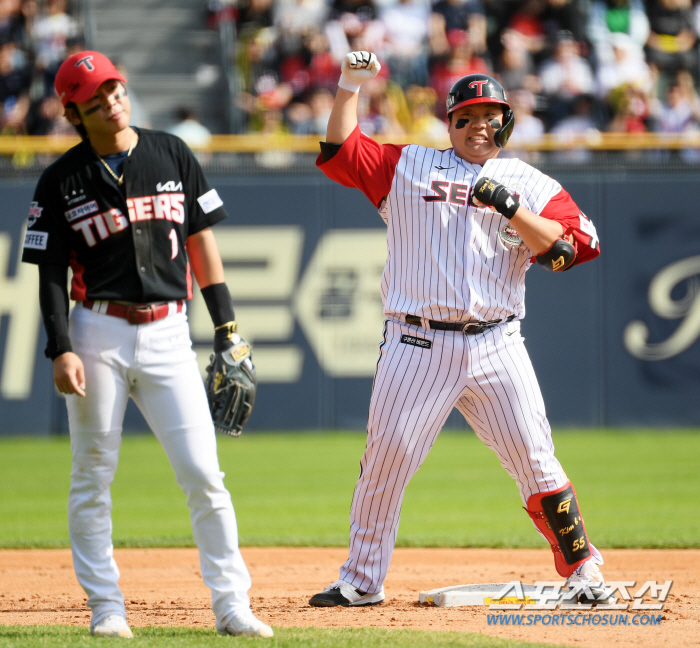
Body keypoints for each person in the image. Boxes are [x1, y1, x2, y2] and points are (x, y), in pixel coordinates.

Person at [309, 51, 614, 608]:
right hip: (416, 342)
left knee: (535, 459)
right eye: (466, 118)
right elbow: (341, 150)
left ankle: (583, 568)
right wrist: (350, 86)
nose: (478, 126)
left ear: (506, 123)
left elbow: (575, 248)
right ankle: (361, 579)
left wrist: (512, 208)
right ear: (448, 124)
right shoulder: (410, 165)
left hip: (498, 344)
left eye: (489, 117)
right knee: (388, 458)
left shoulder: (529, 183)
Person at [20, 50, 273, 639]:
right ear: (73, 111)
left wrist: (227, 327)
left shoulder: (170, 153)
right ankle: (106, 607)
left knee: (204, 474)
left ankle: (232, 605)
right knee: (92, 474)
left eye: (114, 87)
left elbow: (203, 242)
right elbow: (50, 273)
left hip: (168, 331)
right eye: (95, 96)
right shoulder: (62, 179)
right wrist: (60, 347)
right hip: (96, 332)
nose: (111, 100)